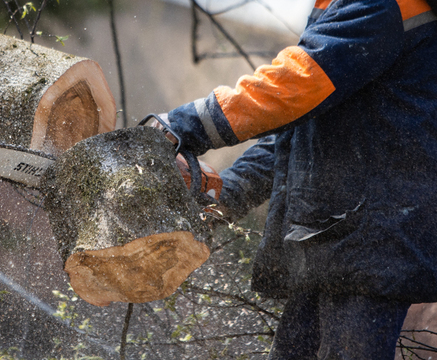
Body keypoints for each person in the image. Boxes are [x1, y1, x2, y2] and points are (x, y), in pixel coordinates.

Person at [158, 0, 437, 358]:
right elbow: (303, 125)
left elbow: (299, 84)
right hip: (336, 236)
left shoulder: (384, 5)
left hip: (372, 243)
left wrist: (182, 128)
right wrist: (231, 191)